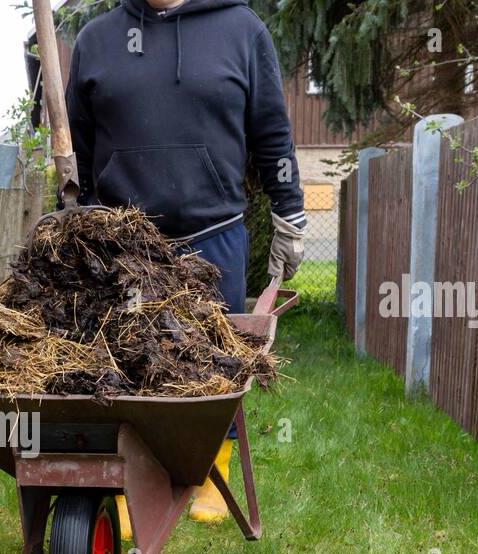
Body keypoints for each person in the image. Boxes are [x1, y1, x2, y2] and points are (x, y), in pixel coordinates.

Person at [66, 0, 305, 527]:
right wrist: (82, 216)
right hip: (124, 245)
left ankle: (211, 470)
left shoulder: (240, 31)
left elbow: (271, 131)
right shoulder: (97, 40)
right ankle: (129, 479)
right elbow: (82, 148)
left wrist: (290, 211)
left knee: (215, 362)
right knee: (121, 364)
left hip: (212, 234)